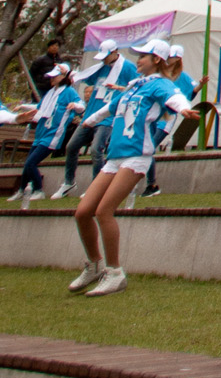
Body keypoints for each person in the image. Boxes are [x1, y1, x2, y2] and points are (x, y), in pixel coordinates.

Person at [69, 39, 194, 295]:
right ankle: (94, 265)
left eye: (143, 56)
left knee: (104, 211)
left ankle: (114, 273)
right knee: (83, 212)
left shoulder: (160, 84)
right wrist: (89, 121)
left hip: (137, 156)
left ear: (156, 59)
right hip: (115, 157)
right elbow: (110, 108)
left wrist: (184, 110)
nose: (137, 60)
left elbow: (175, 97)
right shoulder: (135, 86)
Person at [57, 43, 133, 198]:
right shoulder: (101, 68)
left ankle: (96, 187)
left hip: (107, 118)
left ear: (115, 52)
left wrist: (119, 89)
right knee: (71, 147)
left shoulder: (127, 68)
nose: (104, 60)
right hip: (90, 116)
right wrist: (69, 73)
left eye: (106, 56)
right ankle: (69, 182)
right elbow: (84, 77)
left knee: (95, 149)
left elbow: (137, 87)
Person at [11, 62, 78, 204]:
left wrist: (75, 105)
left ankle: (38, 190)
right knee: (27, 164)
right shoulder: (50, 93)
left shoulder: (69, 92)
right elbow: (40, 108)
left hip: (52, 135)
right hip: (41, 133)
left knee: (31, 163)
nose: (51, 79)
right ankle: (22, 190)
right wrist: (23, 107)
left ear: (63, 76)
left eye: (55, 77)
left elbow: (81, 105)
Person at [143, 44, 198, 196]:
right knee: (144, 149)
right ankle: (148, 184)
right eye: (168, 57)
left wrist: (196, 90)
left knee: (149, 149)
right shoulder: (159, 76)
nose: (170, 60)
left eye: (173, 57)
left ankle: (152, 185)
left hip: (166, 119)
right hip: (153, 118)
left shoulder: (181, 76)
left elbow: (187, 96)